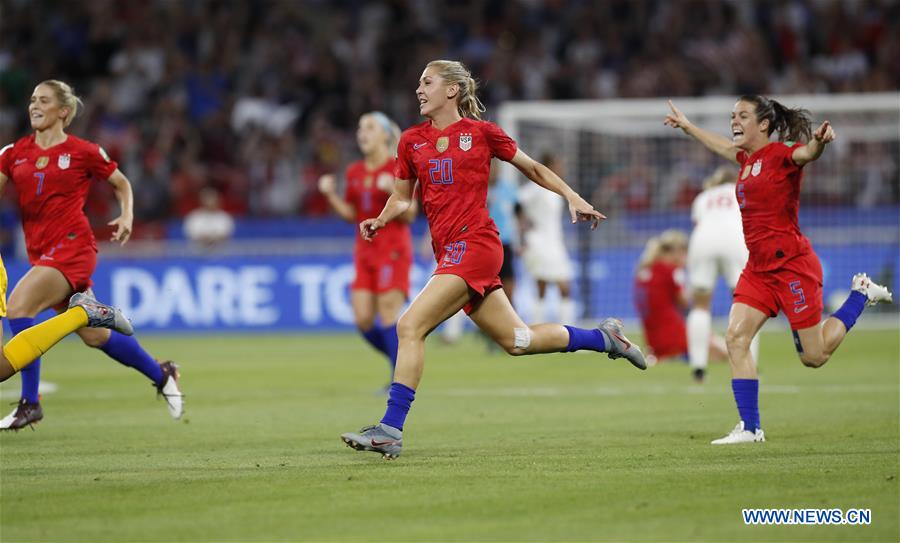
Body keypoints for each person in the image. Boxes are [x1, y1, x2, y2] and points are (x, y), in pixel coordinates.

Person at [341, 60, 646, 460]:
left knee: (409, 325)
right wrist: (381, 219)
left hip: (477, 245)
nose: (419, 90)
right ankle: (605, 338)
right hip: (450, 251)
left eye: (427, 82)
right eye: (419, 83)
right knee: (519, 341)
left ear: (452, 90)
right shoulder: (411, 141)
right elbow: (401, 197)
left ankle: (390, 429)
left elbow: (532, 167)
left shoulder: (482, 134)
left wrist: (572, 196)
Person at [664, 96, 892, 444]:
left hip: (791, 267)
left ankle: (860, 295)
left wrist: (819, 143)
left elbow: (807, 154)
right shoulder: (745, 160)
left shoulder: (782, 153)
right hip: (758, 270)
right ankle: (750, 428)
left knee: (814, 357)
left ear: (764, 124)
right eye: (733, 116)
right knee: (736, 338)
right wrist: (688, 127)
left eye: (742, 116)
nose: (734, 121)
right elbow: (721, 145)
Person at [0, 80, 183, 430]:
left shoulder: (82, 151)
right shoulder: (13, 154)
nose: (34, 106)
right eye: (32, 100)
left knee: (19, 307)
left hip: (73, 247)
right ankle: (162, 373)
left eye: (43, 100)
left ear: (63, 111)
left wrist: (126, 215)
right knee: (95, 336)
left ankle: (30, 402)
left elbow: (121, 184)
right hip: (41, 252)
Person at [319, 112, 415, 386]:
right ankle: (405, 361)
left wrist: (389, 191)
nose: (363, 132)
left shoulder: (398, 168)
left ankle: (399, 380)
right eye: (360, 127)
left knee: (388, 315)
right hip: (364, 252)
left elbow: (410, 214)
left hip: (392, 250)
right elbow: (352, 214)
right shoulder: (354, 172)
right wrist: (330, 196)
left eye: (370, 127)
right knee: (362, 319)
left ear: (385, 135)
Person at [686, 166, 758, 383]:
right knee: (747, 302)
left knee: (700, 305)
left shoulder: (703, 197)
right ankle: (749, 363)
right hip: (734, 239)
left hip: (702, 240)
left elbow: (698, 221)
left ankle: (698, 367)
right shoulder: (743, 190)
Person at [634, 230, 727, 372]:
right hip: (675, 337)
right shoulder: (672, 271)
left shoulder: (643, 271)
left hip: (653, 342)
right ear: (677, 252)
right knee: (724, 349)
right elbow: (685, 302)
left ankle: (670, 356)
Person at [518, 153, 576, 324]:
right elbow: (517, 202)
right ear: (548, 167)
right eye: (558, 165)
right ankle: (540, 327)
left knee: (560, 287)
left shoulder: (556, 189)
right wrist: (524, 224)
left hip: (555, 243)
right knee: (548, 286)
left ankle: (566, 328)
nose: (561, 169)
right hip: (539, 243)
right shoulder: (536, 187)